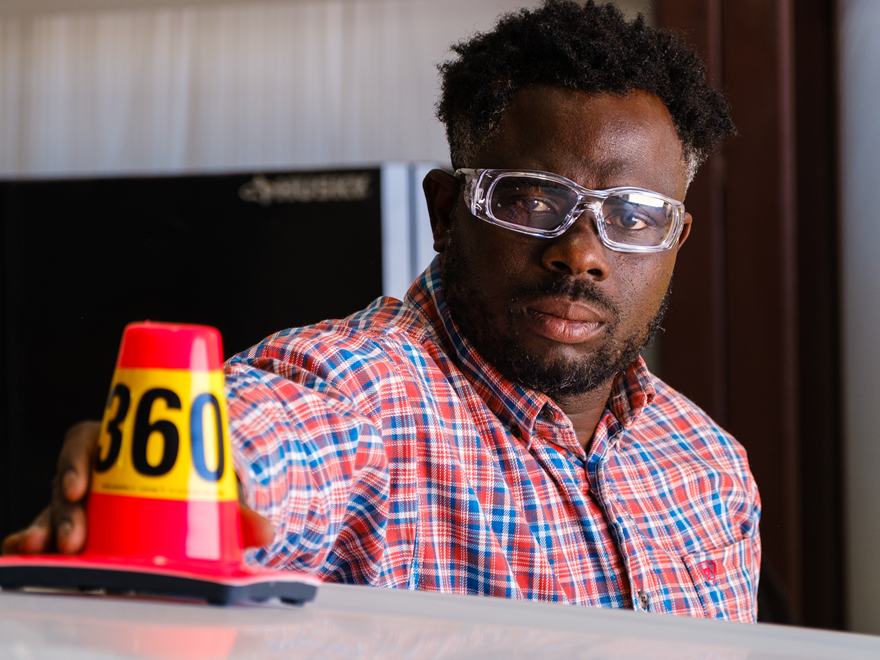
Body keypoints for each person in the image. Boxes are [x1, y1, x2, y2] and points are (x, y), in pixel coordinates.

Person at [2, 0, 759, 621]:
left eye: (634, 216)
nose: (582, 254)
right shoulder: (361, 398)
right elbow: (275, 434)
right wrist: (172, 469)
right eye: (532, 200)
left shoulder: (712, 473)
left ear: (676, 238)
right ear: (444, 211)